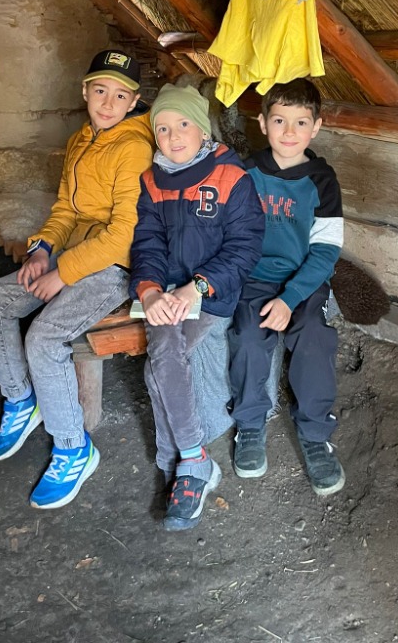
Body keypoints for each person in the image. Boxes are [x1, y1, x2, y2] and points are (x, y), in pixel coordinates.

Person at [0, 50, 153, 509]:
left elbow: (123, 235)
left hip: (114, 267)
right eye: (100, 91)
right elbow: (66, 210)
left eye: (120, 96)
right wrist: (41, 249)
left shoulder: (134, 148)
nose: (108, 103)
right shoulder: (81, 140)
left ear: (134, 101)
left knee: (45, 338)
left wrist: (63, 273)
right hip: (71, 253)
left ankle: (74, 448)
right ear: (85, 92)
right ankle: (21, 400)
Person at [129, 84, 265, 531]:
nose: (172, 136)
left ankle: (179, 460)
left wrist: (198, 287)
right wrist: (149, 290)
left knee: (160, 364)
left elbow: (245, 247)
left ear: (203, 130)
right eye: (163, 129)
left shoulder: (231, 178)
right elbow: (147, 242)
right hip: (167, 293)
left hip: (211, 293)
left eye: (182, 124)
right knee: (163, 351)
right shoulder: (153, 182)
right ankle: (193, 460)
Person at [228, 77, 345, 496]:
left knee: (312, 336)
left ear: (316, 127)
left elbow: (326, 251)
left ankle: (315, 435)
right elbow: (233, 236)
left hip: (305, 280)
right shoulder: (246, 173)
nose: (289, 132)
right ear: (263, 123)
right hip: (255, 278)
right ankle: (249, 425)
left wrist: (291, 298)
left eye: (301, 122)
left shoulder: (322, 181)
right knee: (247, 336)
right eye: (279, 120)